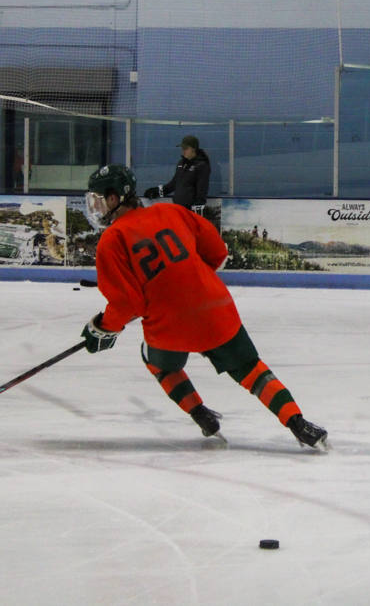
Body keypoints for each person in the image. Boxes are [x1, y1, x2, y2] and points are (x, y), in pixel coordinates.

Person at [82, 164, 329, 449]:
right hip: (215, 308)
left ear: (115, 198)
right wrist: (189, 282)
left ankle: (201, 414)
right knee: (252, 370)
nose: (97, 207)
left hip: (170, 326)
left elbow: (127, 303)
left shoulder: (111, 241)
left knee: (156, 361)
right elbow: (218, 252)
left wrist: (102, 329)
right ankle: (300, 425)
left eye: (99, 199)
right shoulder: (173, 211)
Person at [144, 135, 211, 211]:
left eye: (186, 148)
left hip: (189, 210)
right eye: (182, 148)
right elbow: (173, 184)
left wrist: (196, 210)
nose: (183, 151)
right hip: (178, 208)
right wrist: (156, 191)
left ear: (194, 149)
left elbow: (202, 191)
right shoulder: (181, 163)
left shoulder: (201, 166)